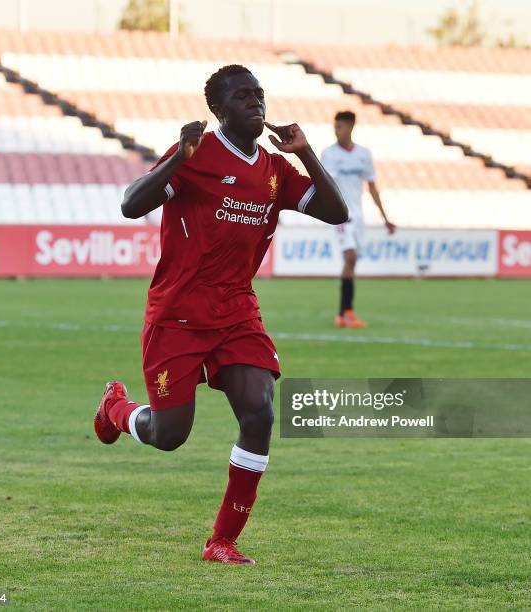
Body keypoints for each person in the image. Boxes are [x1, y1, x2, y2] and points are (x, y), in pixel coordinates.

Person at [94, 64, 348, 565]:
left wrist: (307, 153)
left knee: (260, 410)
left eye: (259, 95)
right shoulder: (198, 154)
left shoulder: (276, 170)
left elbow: (336, 212)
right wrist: (176, 161)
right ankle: (116, 410)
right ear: (217, 109)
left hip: (236, 311)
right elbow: (130, 204)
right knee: (170, 436)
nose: (255, 103)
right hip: (178, 315)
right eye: (241, 97)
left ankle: (222, 541)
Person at [320, 110, 396, 328]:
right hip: (340, 214)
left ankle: (344, 313)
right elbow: (326, 185)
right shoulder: (329, 154)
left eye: (340, 127)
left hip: (359, 215)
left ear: (351, 126)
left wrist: (385, 218)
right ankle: (346, 313)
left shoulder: (363, 154)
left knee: (352, 263)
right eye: (335, 127)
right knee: (350, 257)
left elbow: (372, 187)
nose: (337, 131)